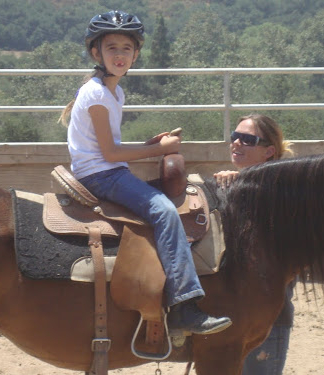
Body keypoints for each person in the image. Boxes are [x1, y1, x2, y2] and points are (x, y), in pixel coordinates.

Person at [60, 10, 232, 336]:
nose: (120, 55)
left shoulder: (114, 91)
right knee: (164, 210)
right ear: (96, 53)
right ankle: (184, 305)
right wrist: (160, 150)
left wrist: (147, 144)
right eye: (112, 48)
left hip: (106, 169)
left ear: (136, 54)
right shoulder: (97, 93)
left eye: (126, 48)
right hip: (101, 175)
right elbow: (109, 154)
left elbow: (107, 145)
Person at [214, 114, 295, 374]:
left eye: (247, 140)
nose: (237, 143)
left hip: (268, 319)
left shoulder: (283, 193)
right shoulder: (235, 186)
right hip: (233, 316)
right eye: (234, 137)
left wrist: (241, 181)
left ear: (269, 151)